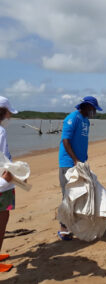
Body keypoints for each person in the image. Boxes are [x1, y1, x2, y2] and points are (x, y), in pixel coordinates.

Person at [58, 96, 102, 240]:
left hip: (80, 163)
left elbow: (82, 141)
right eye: (93, 109)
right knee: (68, 194)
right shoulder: (73, 118)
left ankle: (74, 223)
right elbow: (65, 140)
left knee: (80, 194)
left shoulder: (86, 121)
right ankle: (64, 228)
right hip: (68, 163)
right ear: (86, 106)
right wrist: (75, 159)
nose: (93, 112)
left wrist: (83, 159)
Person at [0, 96, 18, 272]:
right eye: (8, 113)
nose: (10, 117)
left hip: (4, 180)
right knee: (1, 221)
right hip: (2, 184)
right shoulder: (0, 132)